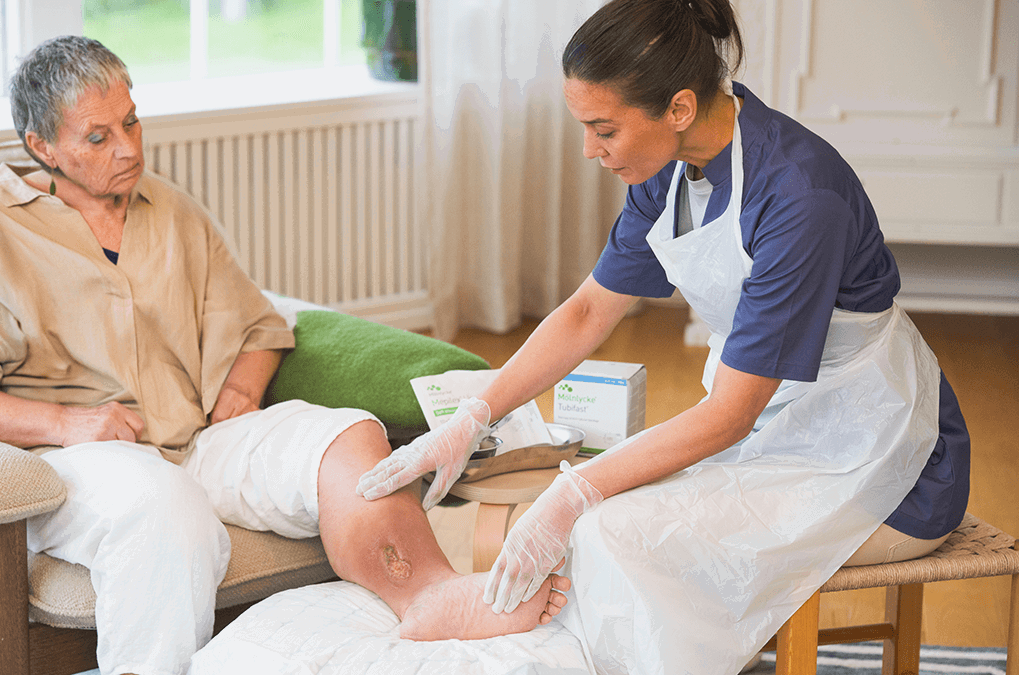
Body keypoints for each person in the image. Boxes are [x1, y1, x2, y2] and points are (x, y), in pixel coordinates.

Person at [0, 35, 568, 675]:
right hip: (71, 464)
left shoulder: (170, 208)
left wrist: (243, 389)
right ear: (43, 147)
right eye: (98, 137)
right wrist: (70, 425)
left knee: (349, 435)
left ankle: (431, 595)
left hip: (198, 439)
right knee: (164, 505)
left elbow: (260, 326)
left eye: (131, 121)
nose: (127, 148)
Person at [356, 1, 971, 672]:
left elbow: (732, 413)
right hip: (781, 431)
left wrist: (572, 490)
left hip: (887, 464)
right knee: (609, 524)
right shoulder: (671, 169)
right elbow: (590, 310)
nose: (590, 150)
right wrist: (475, 414)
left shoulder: (798, 196)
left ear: (678, 108)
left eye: (603, 129)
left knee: (613, 531)